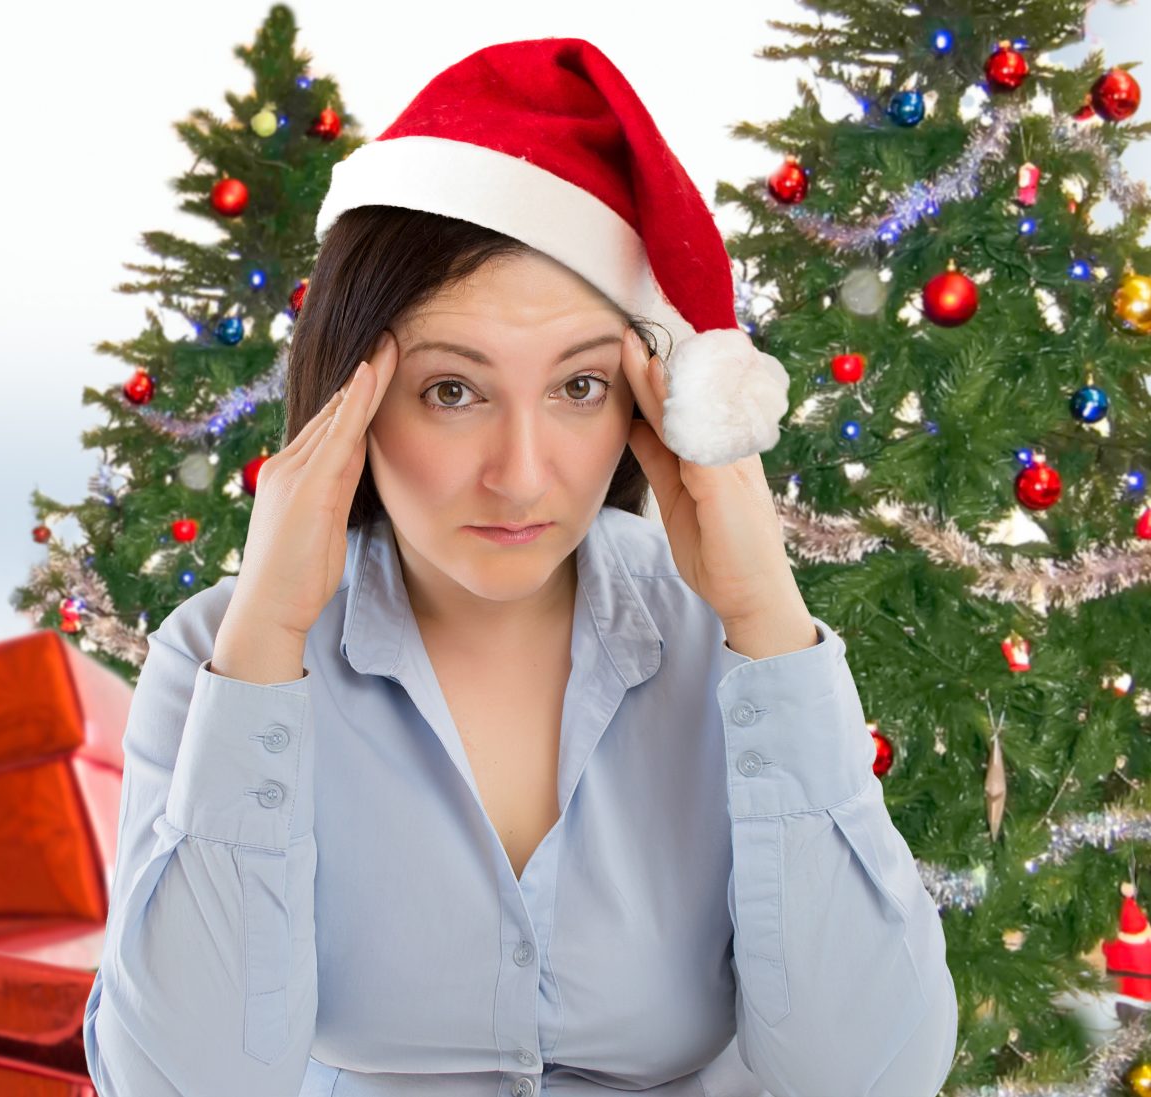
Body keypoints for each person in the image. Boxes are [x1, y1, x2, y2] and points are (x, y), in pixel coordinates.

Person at [82, 35, 958, 1097]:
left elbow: (866, 1076)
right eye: (454, 390)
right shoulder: (221, 655)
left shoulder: (725, 644)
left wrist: (766, 615)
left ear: (651, 401)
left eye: (581, 388)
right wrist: (266, 640)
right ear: (347, 402)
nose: (522, 475)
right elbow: (182, 1083)